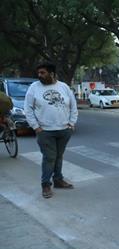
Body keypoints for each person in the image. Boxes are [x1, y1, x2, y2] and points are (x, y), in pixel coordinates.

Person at [24, 62, 78, 199]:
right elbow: (28, 109)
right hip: (45, 131)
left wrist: (71, 124)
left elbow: (73, 106)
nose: (39, 75)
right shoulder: (34, 88)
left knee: (59, 156)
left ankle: (58, 180)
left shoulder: (64, 87)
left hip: (64, 130)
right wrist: (36, 127)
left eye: (43, 73)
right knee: (49, 158)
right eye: (39, 73)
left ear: (52, 73)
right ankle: (46, 184)